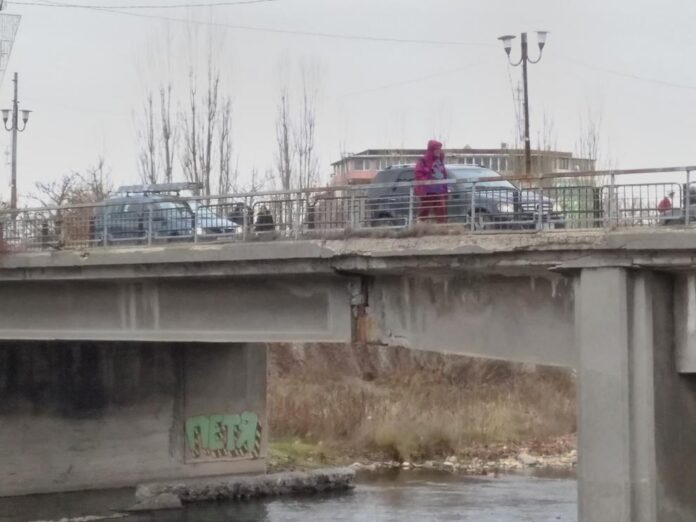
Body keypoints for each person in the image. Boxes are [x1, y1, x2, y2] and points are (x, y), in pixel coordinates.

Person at [414, 139, 448, 224]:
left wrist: (445, 188)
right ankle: (420, 226)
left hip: (439, 190)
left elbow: (443, 175)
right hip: (427, 190)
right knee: (425, 209)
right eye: (437, 149)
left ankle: (441, 227)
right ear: (432, 150)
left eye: (439, 149)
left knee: (441, 210)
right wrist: (426, 181)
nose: (438, 151)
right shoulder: (423, 160)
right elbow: (418, 174)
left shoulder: (440, 161)